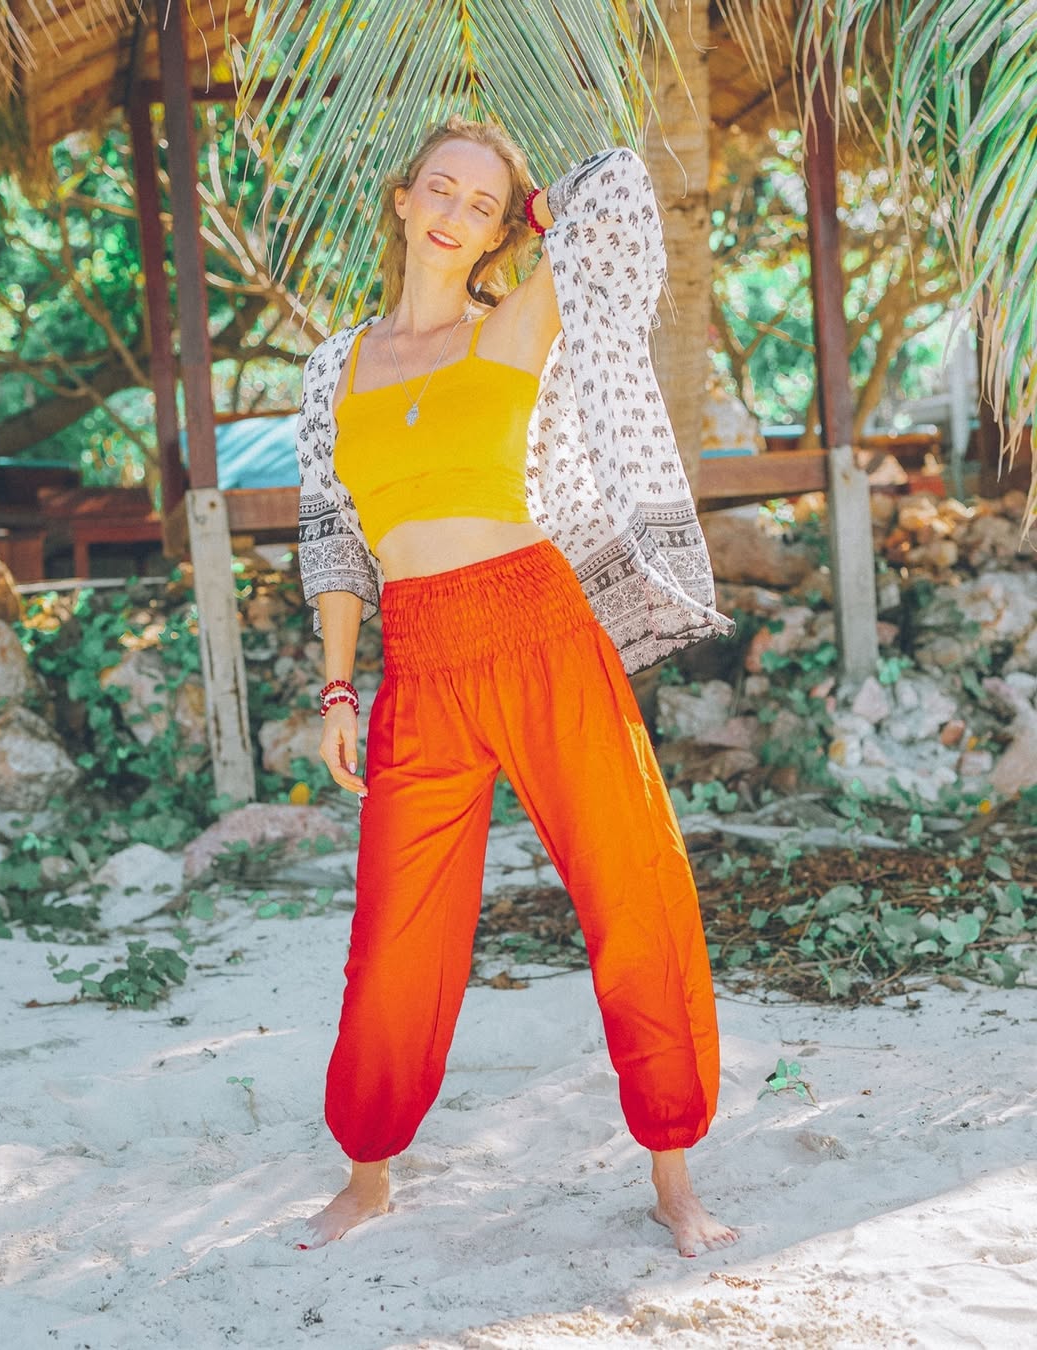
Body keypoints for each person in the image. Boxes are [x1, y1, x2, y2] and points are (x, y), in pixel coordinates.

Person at [293, 114, 738, 1258]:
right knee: (397, 930)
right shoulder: (329, 369)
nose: (451, 213)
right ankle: (369, 1173)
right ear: (402, 198)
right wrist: (338, 690)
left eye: (479, 204)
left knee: (631, 886)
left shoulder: (515, 323)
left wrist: (539, 214)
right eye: (437, 188)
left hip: (541, 630)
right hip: (421, 661)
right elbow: (335, 540)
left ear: (497, 231)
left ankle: (674, 1176)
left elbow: (623, 196)